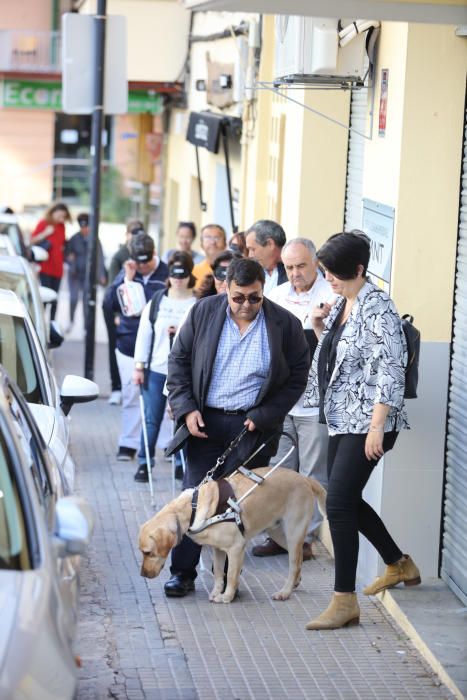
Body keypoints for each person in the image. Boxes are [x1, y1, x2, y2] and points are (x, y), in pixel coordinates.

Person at [164, 257, 310, 597]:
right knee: (195, 498)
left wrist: (266, 414)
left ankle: (229, 580)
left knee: (239, 503)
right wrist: (186, 410)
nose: (246, 305)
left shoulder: (285, 325)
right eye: (238, 297)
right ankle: (182, 573)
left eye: (254, 297)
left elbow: (297, 378)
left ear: (264, 291)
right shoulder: (203, 313)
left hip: (252, 428)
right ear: (225, 289)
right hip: (205, 422)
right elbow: (178, 362)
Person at [303, 231, 420, 631]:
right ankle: (399, 563)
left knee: (337, 504)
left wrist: (377, 427)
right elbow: (338, 360)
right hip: (343, 419)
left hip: (369, 422)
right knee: (344, 499)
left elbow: (391, 370)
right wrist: (319, 327)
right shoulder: (343, 304)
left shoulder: (379, 309)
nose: (328, 278)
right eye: (325, 271)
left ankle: (343, 602)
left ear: (358, 269)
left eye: (334, 272)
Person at [252, 237, 334, 561]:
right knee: (279, 470)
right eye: (289, 267)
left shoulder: (331, 296)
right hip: (283, 398)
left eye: (301, 265)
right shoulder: (276, 296)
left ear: (316, 263)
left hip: (316, 402)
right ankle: (279, 536)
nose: (296, 272)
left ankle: (306, 539)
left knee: (314, 474)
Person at [103, 233, 169, 461]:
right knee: (131, 396)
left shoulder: (167, 274)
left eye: (146, 262)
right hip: (128, 345)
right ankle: (128, 443)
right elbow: (109, 303)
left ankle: (167, 445)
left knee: (165, 396)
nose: (142, 267)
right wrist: (125, 281)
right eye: (137, 263)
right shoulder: (128, 272)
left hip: (160, 349)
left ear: (154, 254)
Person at [132, 252, 196, 482]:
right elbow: (144, 335)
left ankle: (180, 462)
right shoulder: (158, 301)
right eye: (174, 274)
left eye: (183, 273)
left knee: (180, 418)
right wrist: (139, 366)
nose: (178, 279)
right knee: (151, 418)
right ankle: (144, 462)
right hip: (156, 369)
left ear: (190, 275)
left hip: (184, 373)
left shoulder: (196, 303)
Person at [104, 219, 144, 405]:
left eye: (140, 232)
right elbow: (113, 289)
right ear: (127, 235)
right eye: (133, 232)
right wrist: (117, 316)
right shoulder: (120, 257)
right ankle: (116, 387)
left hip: (138, 315)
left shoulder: (145, 255)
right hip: (119, 313)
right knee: (116, 348)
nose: (136, 236)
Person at [65, 212, 107, 331]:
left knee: (86, 301)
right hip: (75, 275)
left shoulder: (94, 239)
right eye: (82, 227)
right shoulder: (74, 238)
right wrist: (70, 261)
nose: (85, 229)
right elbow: (67, 254)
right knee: (73, 298)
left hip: (88, 276)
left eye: (86, 226)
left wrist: (102, 275)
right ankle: (71, 320)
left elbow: (100, 257)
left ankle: (85, 327)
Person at [31, 202, 72, 320]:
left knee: (55, 299)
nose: (61, 218)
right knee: (44, 298)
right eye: (59, 215)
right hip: (46, 267)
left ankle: (52, 324)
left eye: (64, 216)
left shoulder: (62, 226)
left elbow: (61, 243)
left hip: (58, 268)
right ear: (53, 212)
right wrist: (45, 233)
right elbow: (32, 240)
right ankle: (40, 323)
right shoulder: (43, 223)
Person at [245, 219, 287, 296]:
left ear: (270, 244)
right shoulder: (251, 273)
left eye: (252, 249)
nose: (250, 255)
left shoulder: (294, 272)